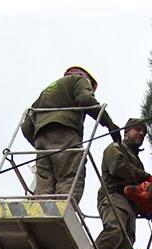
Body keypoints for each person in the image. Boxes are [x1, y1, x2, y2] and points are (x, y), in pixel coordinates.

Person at [21, 66, 120, 204]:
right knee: (70, 175)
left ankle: (42, 207)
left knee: (45, 180)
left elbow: (26, 126)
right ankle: (63, 208)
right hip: (65, 132)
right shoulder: (79, 80)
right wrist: (109, 124)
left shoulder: (46, 92)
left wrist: (41, 139)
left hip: (41, 139)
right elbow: (85, 99)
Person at [94, 118, 152, 249]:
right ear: (127, 131)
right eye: (138, 129)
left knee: (126, 247)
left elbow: (138, 190)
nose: (141, 133)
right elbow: (118, 167)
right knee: (115, 231)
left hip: (130, 206)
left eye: (144, 132)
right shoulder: (116, 147)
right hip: (114, 196)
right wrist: (146, 178)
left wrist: (149, 203)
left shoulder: (138, 162)